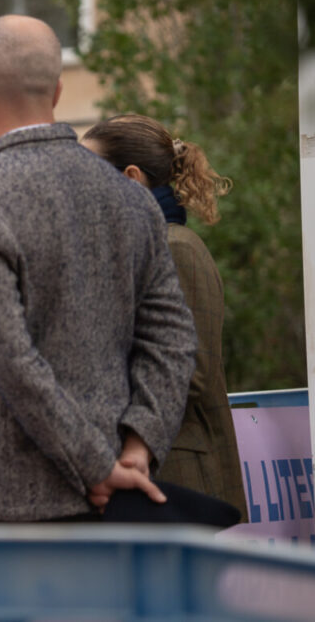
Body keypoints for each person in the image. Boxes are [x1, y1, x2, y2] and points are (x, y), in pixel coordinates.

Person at [0, 15, 197, 523]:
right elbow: (173, 337)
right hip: (119, 491)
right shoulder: (130, 197)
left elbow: (9, 357)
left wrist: (96, 466)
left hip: (11, 500)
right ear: (55, 91)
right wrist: (137, 447)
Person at [82, 113, 247, 522]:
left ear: (132, 177)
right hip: (154, 467)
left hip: (179, 472)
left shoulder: (176, 248)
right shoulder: (143, 247)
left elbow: (190, 372)